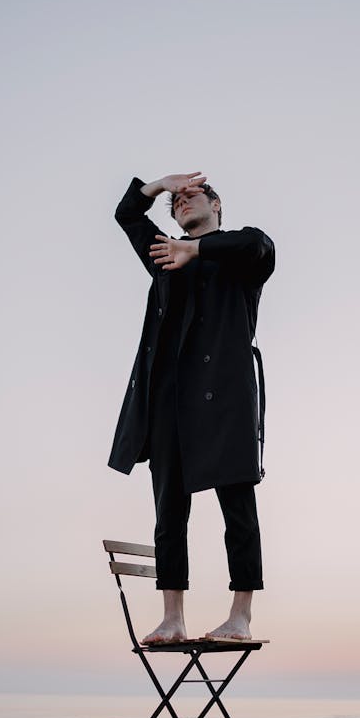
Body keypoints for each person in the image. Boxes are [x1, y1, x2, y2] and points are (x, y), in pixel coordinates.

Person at [108, 172, 275, 643]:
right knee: (168, 514)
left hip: (225, 399)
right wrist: (160, 184)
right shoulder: (164, 255)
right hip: (169, 402)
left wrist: (195, 250)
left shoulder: (239, 254)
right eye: (176, 201)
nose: (181, 202)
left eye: (192, 194)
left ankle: (240, 617)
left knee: (237, 512)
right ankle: (173, 617)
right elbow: (126, 214)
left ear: (216, 205)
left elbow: (258, 245)